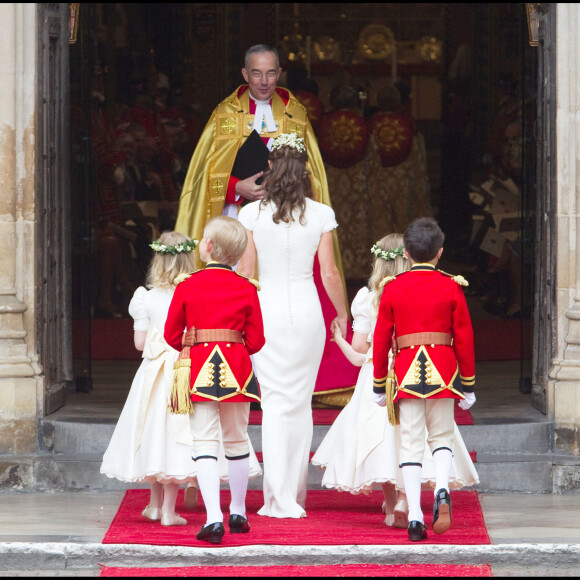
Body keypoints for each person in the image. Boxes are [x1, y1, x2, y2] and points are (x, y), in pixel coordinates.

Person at [174, 43, 353, 408]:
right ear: (244, 74)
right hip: (241, 214)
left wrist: (293, 190)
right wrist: (234, 187)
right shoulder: (225, 113)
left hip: (291, 214)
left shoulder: (295, 114)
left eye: (271, 73)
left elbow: (312, 169)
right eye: (256, 73)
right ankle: (234, 376)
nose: (264, 81)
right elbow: (203, 174)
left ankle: (314, 382)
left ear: (279, 73)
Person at [311, 233, 479, 527]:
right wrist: (467, 383)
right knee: (430, 437)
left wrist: (339, 340)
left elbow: (365, 350)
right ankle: (415, 496)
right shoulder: (439, 287)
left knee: (387, 442)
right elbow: (463, 336)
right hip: (431, 373)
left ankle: (396, 508)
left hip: (389, 375)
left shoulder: (373, 296)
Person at [237, 133, 349, 518]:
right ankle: (295, 496)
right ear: (304, 171)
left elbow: (247, 271)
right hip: (306, 314)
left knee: (273, 404)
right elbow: (330, 273)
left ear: (269, 167)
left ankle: (277, 498)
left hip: (265, 312)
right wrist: (343, 312)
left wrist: (237, 316)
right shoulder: (320, 214)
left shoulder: (250, 215)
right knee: (299, 405)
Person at [372, 217, 476, 542]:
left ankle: (415, 514)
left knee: (411, 444)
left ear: (406, 252)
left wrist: (378, 384)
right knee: (442, 436)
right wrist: (468, 383)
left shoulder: (393, 288)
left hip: (406, 374)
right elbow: (464, 336)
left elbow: (380, 338)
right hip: (443, 372)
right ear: (440, 253)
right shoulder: (452, 286)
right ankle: (442, 488)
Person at [164, 216, 266, 544]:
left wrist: (194, 339)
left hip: (198, 370)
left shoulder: (187, 285)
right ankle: (237, 510)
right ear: (237, 255)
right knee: (237, 442)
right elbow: (257, 341)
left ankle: (213, 518)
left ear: (206, 247)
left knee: (205, 444)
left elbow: (170, 334)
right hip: (237, 370)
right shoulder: (247, 287)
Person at [99, 231, 200, 527]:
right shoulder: (193, 294)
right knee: (176, 435)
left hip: (153, 373)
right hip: (183, 369)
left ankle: (155, 506)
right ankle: (169, 509)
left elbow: (140, 345)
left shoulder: (145, 298)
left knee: (154, 432)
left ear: (158, 261)